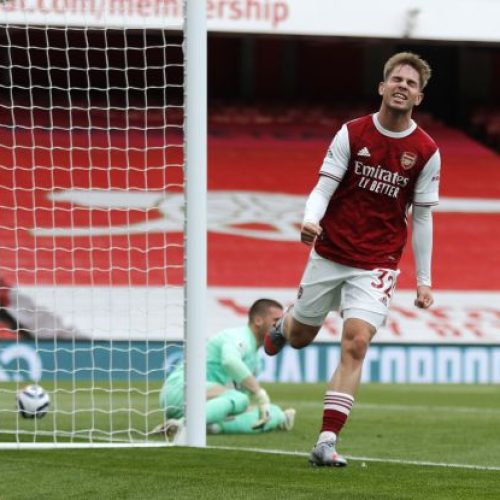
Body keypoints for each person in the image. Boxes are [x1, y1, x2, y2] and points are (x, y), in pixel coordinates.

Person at [264, 52, 440, 467]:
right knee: (301, 336)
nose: (402, 86)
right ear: (382, 87)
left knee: (356, 341)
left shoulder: (427, 150)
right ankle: (283, 324)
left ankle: (327, 439)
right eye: (396, 79)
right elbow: (323, 188)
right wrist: (311, 220)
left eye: (411, 83)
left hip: (378, 262)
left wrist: (425, 280)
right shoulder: (352, 133)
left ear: (419, 96)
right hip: (330, 252)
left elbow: (424, 215)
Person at [154, 298, 296, 441]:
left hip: (207, 404)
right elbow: (230, 361)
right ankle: (185, 425)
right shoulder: (239, 337)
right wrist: (259, 392)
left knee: (272, 411)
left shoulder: (256, 360)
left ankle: (210, 427)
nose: (280, 326)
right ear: (258, 321)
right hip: (180, 390)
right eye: (276, 320)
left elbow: (236, 406)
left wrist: (260, 408)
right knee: (240, 399)